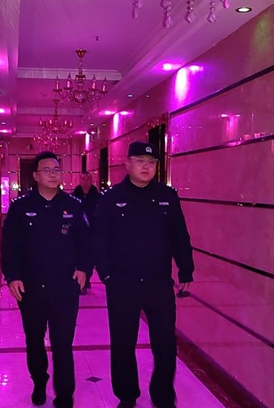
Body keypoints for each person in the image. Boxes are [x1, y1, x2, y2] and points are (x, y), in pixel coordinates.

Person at [93, 141, 195, 408]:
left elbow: (179, 236)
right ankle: (127, 395)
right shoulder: (111, 198)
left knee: (165, 342)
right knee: (123, 342)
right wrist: (106, 275)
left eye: (151, 163)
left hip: (158, 283)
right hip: (122, 283)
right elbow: (99, 239)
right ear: (127, 164)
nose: (146, 167)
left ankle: (163, 395)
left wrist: (186, 269)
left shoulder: (167, 196)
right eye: (140, 161)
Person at [1, 151, 92, 408]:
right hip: (31, 288)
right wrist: (12, 276)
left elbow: (87, 243)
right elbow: (9, 247)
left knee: (63, 343)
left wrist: (84, 269)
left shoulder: (74, 206)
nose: (53, 174)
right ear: (36, 175)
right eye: (47, 170)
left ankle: (64, 394)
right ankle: (39, 381)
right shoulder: (21, 207)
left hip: (65, 287)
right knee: (34, 340)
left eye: (57, 170)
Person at [72, 172, 100, 293]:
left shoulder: (98, 197)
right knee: (79, 256)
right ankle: (80, 282)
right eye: (83, 179)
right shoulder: (74, 197)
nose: (85, 182)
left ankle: (87, 278)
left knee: (91, 257)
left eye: (87, 179)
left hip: (94, 232)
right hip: (79, 232)